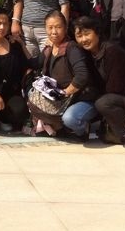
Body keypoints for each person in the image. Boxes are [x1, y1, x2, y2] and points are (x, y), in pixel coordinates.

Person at [75, 15, 125, 148]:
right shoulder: (89, 53)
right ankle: (119, 128)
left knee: (103, 103)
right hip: (122, 95)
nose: (83, 39)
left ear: (97, 33)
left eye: (87, 34)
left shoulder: (112, 51)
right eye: (79, 36)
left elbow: (114, 87)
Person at [32, 10, 99, 139]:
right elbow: (35, 63)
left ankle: (82, 128)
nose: (54, 32)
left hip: (82, 98)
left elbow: (82, 76)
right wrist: (19, 43)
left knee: (70, 118)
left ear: (65, 28)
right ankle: (60, 126)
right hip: (63, 100)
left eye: (58, 27)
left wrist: (64, 93)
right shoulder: (50, 48)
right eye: (50, 27)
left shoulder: (72, 48)